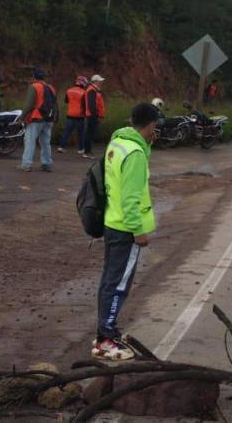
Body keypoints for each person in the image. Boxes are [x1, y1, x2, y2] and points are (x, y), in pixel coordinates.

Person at [94, 101, 161, 361]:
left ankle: (104, 333)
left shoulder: (119, 143)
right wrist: (138, 231)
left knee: (109, 281)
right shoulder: (135, 154)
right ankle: (107, 339)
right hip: (126, 229)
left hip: (112, 222)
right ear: (152, 125)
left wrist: (147, 145)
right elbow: (131, 197)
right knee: (119, 285)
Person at [19, 68, 58, 172]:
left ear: (34, 77)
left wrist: (22, 117)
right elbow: (55, 104)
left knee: (30, 142)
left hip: (36, 118)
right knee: (46, 143)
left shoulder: (34, 86)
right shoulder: (51, 87)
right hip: (48, 119)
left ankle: (26, 165)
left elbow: (29, 104)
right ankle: (46, 163)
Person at [58, 76, 89, 154]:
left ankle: (61, 147)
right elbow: (85, 105)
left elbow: (66, 101)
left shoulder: (69, 90)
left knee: (66, 132)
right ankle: (81, 149)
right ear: (83, 83)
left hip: (70, 114)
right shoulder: (84, 92)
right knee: (81, 133)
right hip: (80, 116)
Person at [82, 75, 106, 159]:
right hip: (92, 115)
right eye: (99, 81)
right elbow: (91, 104)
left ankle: (87, 150)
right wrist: (96, 115)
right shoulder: (91, 90)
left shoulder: (94, 90)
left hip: (92, 115)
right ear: (95, 81)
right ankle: (87, 152)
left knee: (90, 133)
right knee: (90, 134)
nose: (101, 82)